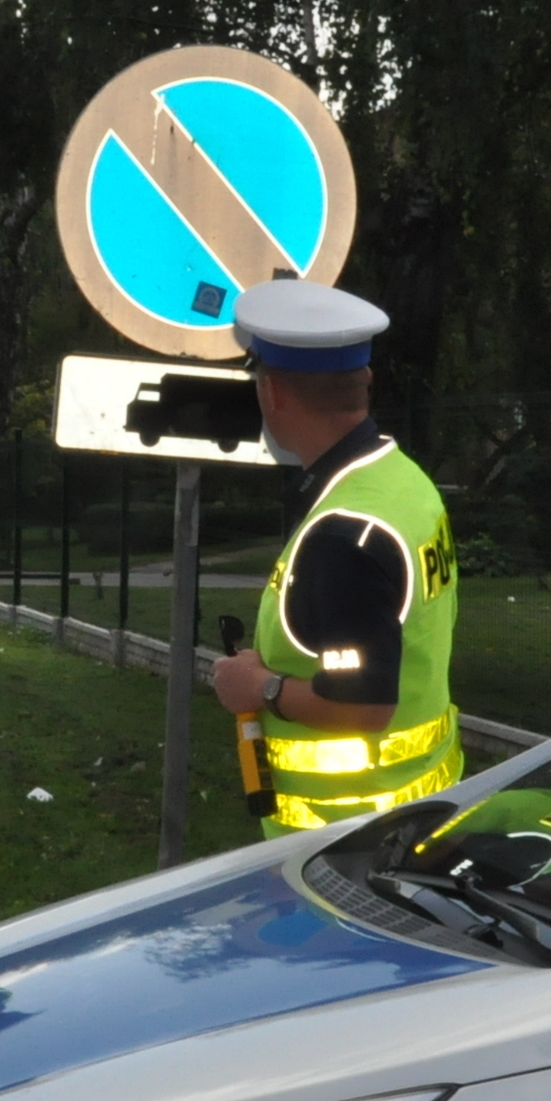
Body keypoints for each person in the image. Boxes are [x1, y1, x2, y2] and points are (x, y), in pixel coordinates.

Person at [207, 279, 460, 834]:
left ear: (272, 394)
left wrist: (258, 688)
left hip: (344, 842)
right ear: (362, 380)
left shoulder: (340, 536)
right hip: (417, 810)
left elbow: (364, 706)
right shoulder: (401, 480)